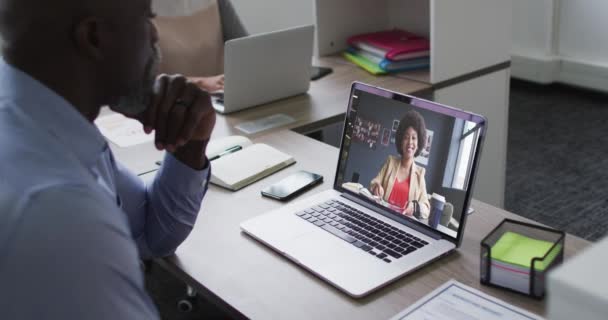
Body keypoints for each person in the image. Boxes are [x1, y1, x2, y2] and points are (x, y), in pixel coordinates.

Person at [0, 0, 216, 318]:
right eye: (147, 19)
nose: (155, 36)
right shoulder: (60, 213)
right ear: (94, 37)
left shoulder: (47, 121)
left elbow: (149, 236)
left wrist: (190, 145)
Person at [370, 110, 431, 219]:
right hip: (381, 217)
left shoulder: (420, 173)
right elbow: (374, 182)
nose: (410, 143)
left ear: (419, 142)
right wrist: (376, 187)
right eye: (406, 137)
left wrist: (415, 207)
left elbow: (426, 209)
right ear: (401, 140)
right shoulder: (390, 162)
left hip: (404, 225)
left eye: (414, 138)